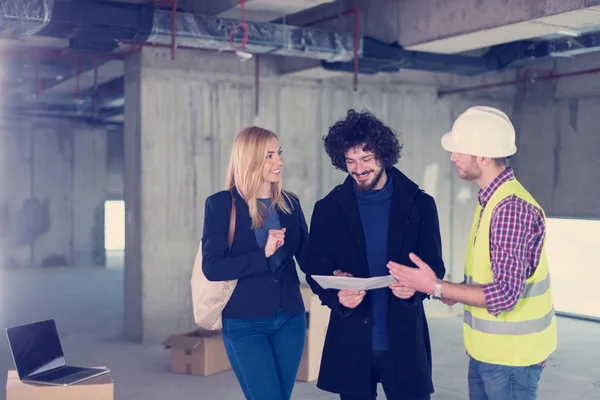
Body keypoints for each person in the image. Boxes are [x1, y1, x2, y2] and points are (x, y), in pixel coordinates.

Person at [387, 106, 557, 400]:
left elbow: (505, 294)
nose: (452, 157)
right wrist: (446, 292)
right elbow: (488, 278)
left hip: (511, 360)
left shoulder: (509, 208)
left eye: (460, 150)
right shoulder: (490, 200)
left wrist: (436, 286)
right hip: (489, 353)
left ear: (484, 156)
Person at [304, 109, 446, 400]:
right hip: (352, 340)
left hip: (404, 338)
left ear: (383, 155)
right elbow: (315, 267)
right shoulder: (328, 208)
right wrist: (336, 292)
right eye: (350, 161)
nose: (358, 169)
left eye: (366, 159)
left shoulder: (420, 204)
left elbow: (434, 266)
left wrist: (416, 288)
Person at [201, 126, 309, 400]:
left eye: (279, 153)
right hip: (245, 323)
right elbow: (212, 267)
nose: (279, 161)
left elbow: (308, 257)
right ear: (250, 159)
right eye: (269, 155)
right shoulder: (221, 205)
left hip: (290, 319)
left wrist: (339, 277)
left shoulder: (290, 204)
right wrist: (264, 255)